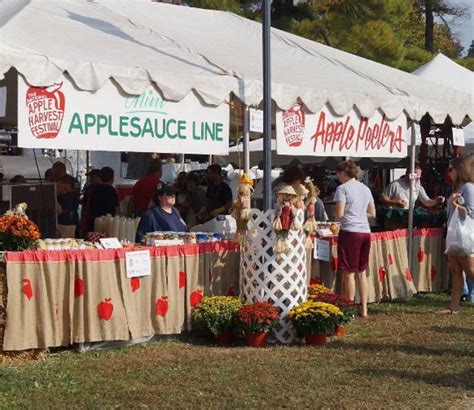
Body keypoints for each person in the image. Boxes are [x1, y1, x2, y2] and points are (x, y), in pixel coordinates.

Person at [334, 160, 376, 318]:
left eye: (338, 173)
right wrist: (359, 214)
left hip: (350, 231)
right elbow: (372, 213)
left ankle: (349, 309)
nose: (337, 177)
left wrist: (347, 215)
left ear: (343, 172)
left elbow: (339, 214)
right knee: (361, 272)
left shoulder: (342, 189)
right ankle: (364, 308)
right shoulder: (365, 189)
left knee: (349, 272)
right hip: (365, 231)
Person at [441, 156, 474, 314]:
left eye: (451, 169)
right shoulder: (457, 188)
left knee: (470, 270)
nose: (449, 173)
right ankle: (453, 307)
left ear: (459, 170)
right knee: (456, 271)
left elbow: (472, 212)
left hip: (465, 235)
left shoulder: (468, 187)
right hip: (454, 235)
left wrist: (453, 204)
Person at [381, 164, 445, 209]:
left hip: (409, 217)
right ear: (408, 174)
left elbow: (427, 202)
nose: (417, 179)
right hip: (395, 217)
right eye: (415, 176)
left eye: (419, 177)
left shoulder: (418, 187)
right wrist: (395, 203)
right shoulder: (395, 185)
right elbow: (382, 197)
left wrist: (436, 200)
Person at [87, 167, 119, 232]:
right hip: (108, 222)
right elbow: (117, 208)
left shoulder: (94, 189)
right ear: (112, 178)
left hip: (94, 221)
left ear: (100, 177)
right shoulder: (112, 190)